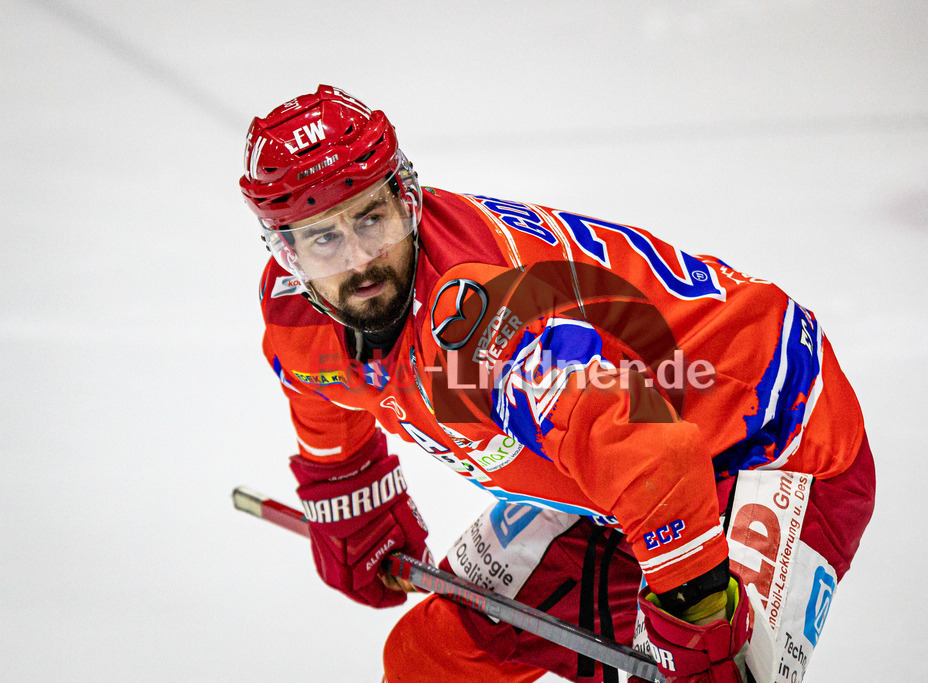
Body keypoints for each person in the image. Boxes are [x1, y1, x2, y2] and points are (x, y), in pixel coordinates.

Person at [239, 85, 875, 683]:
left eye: (371, 218)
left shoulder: (481, 325)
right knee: (429, 664)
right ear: (286, 256)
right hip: (603, 462)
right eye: (324, 237)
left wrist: (697, 626)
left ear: (405, 196)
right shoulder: (299, 311)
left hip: (769, 440)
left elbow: (654, 456)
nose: (359, 259)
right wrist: (349, 486)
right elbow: (322, 385)